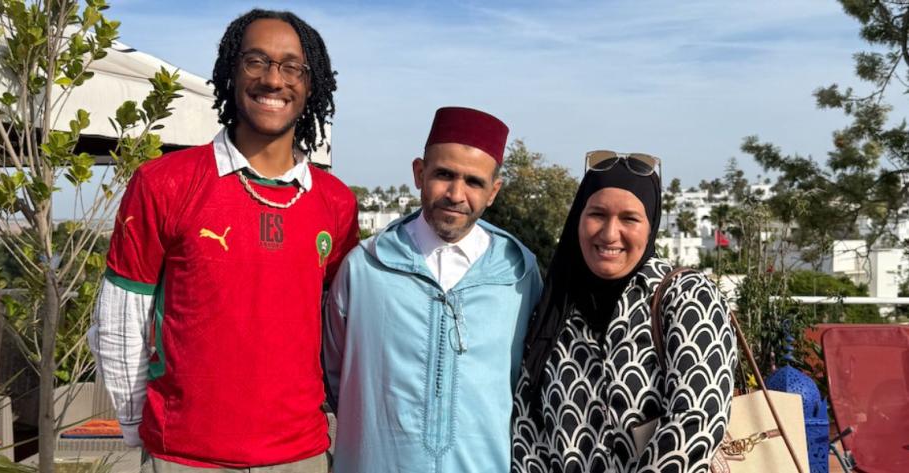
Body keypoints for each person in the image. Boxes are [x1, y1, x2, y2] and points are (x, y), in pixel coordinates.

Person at [87, 9, 358, 471]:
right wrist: (137, 427)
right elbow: (120, 317)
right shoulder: (163, 182)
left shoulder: (336, 202)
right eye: (256, 61)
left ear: (311, 85)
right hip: (186, 457)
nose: (274, 79)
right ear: (231, 74)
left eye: (292, 66)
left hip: (301, 456)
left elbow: (338, 329)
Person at [323, 106, 543, 472]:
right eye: (444, 175)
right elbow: (335, 376)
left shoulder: (518, 274)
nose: (456, 194)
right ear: (419, 173)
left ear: (494, 192)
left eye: (474, 182)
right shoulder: (365, 269)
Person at [511, 151, 737, 473]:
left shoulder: (685, 296)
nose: (609, 233)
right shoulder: (555, 310)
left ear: (650, 227)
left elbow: (696, 422)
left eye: (629, 218)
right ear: (578, 218)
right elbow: (527, 429)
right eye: (597, 214)